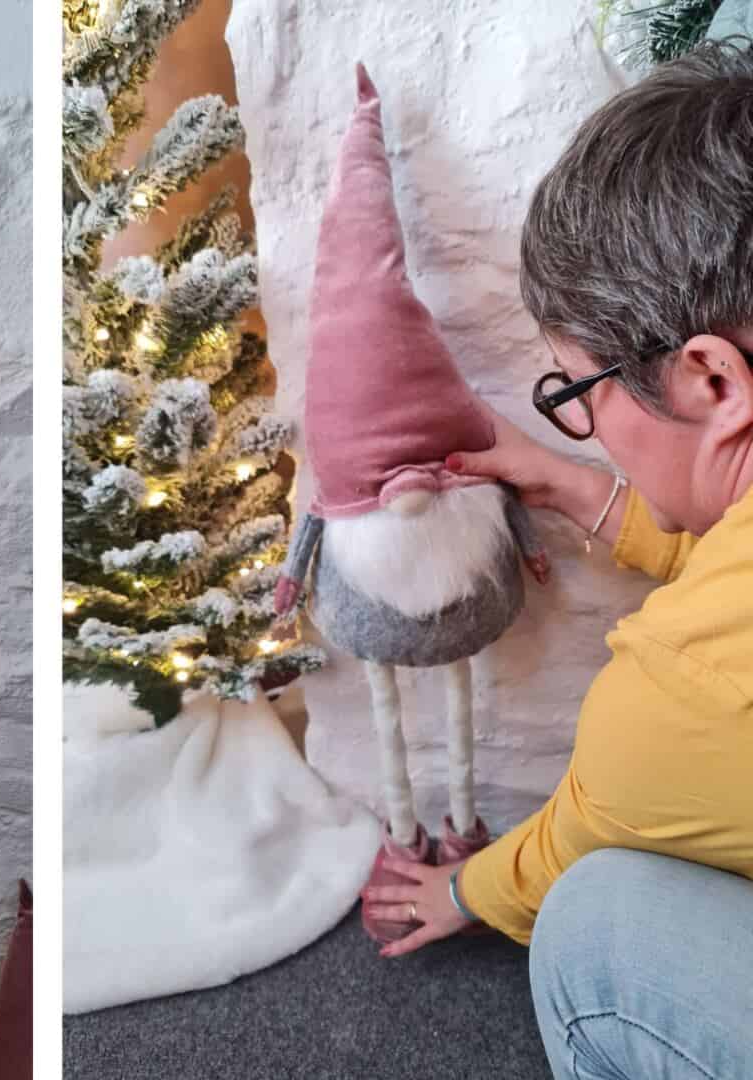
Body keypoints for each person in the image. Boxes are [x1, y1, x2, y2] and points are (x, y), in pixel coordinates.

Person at [357, 40, 753, 1079]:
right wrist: (583, 487)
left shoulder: (676, 700)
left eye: (580, 389)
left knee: (597, 924)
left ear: (711, 380)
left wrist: (454, 892)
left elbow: (576, 837)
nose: (586, 426)